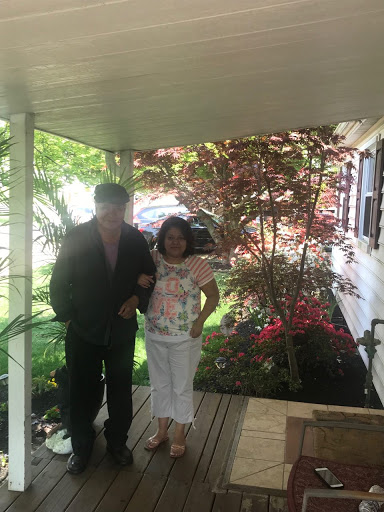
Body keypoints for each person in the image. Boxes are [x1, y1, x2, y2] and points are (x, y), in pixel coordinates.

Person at [49, 183, 156, 475]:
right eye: (106, 206)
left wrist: (136, 298)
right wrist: (69, 318)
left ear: (125, 209)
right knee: (81, 391)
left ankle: (117, 443)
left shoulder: (135, 239)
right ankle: (82, 448)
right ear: (96, 207)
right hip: (83, 330)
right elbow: (59, 282)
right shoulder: (77, 237)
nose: (112, 212)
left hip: (120, 330)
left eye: (118, 207)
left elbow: (149, 274)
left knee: (121, 390)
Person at [138, 216, 220, 458]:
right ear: (162, 238)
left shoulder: (197, 265)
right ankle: (162, 430)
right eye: (170, 237)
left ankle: (179, 434)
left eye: (180, 238)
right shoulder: (152, 259)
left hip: (184, 337)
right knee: (160, 384)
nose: (175, 242)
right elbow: (132, 277)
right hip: (154, 334)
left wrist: (200, 322)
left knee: (181, 387)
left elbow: (213, 297)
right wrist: (137, 278)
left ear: (188, 241)